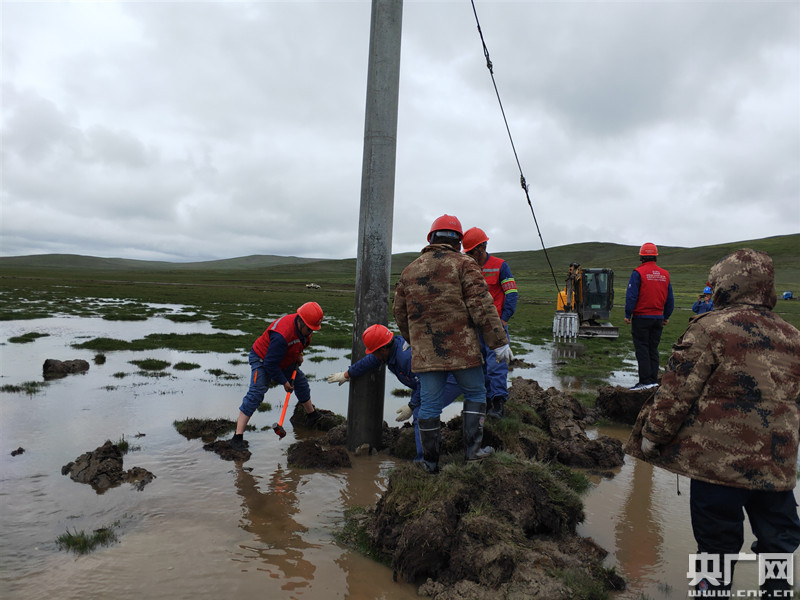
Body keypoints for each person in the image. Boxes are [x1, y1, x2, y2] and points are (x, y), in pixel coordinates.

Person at [625, 248, 800, 598]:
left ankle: (711, 594)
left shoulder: (710, 328)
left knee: (716, 545)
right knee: (778, 541)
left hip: (717, 467)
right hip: (776, 465)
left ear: (724, 284)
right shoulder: (793, 336)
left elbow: (677, 391)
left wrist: (653, 434)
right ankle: (777, 592)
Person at [392, 214, 512, 474]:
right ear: (458, 241)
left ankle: (429, 463)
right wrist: (498, 342)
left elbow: (399, 311)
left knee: (430, 404)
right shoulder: (465, 264)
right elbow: (482, 306)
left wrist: (412, 340)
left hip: (427, 354)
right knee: (476, 394)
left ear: (431, 238)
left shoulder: (410, 270)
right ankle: (473, 453)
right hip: (463, 352)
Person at [326, 324, 462, 463]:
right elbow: (370, 361)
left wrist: (412, 405)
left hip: (449, 379)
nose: (373, 355)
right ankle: (435, 450)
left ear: (383, 349)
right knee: (423, 412)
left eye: (374, 352)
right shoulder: (390, 349)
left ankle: (425, 461)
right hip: (427, 379)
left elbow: (424, 383)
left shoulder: (406, 358)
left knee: (422, 412)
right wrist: (347, 374)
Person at [230, 302, 324, 449]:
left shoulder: (304, 329)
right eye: (309, 329)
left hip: (284, 358)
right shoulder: (282, 334)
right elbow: (270, 364)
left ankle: (312, 416)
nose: (311, 332)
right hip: (262, 359)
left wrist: (299, 355)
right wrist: (284, 382)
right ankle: (237, 436)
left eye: (313, 329)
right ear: (301, 321)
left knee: (301, 383)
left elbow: (301, 343)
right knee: (256, 393)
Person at [462, 227, 519, 419]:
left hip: (495, 326)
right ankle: (484, 403)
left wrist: (503, 320)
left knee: (497, 366)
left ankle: (498, 404)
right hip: (475, 327)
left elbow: (512, 294)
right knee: (479, 367)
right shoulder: (466, 267)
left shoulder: (500, 266)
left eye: (472, 252)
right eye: (467, 253)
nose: (470, 256)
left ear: (482, 248)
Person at [624, 242, 674, 390]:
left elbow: (631, 296)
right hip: (658, 318)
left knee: (642, 349)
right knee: (653, 348)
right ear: (655, 256)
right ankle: (653, 380)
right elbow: (670, 298)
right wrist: (666, 315)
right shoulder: (665, 274)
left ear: (641, 257)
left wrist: (628, 314)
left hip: (641, 317)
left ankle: (645, 382)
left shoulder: (638, 273)